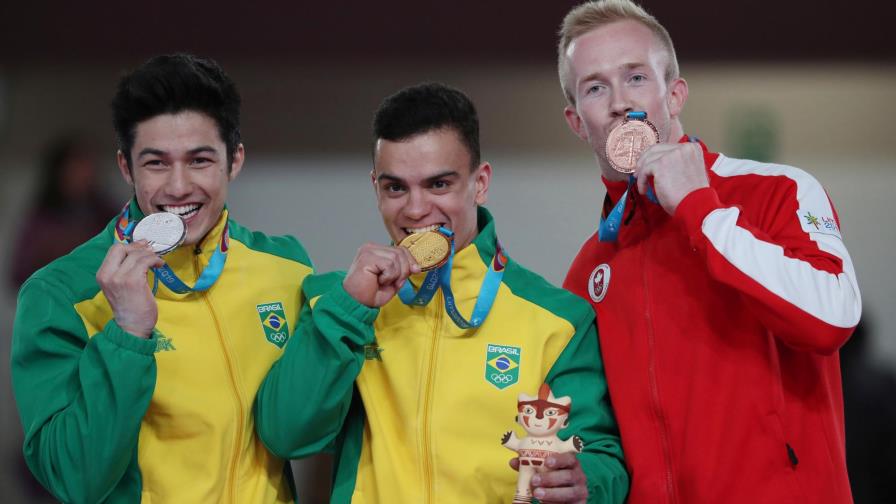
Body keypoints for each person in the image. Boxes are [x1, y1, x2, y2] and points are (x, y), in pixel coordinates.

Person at [254, 83, 628, 503]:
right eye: (396, 188)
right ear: (376, 187)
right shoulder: (337, 304)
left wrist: (584, 482)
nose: (415, 210)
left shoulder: (557, 319)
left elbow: (600, 457)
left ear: (480, 183)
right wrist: (349, 309)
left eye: (438, 185)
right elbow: (286, 436)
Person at [556, 1, 862, 502]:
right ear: (575, 120)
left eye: (635, 78)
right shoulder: (589, 270)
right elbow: (597, 435)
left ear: (674, 95)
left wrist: (700, 210)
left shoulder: (777, 192)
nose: (617, 102)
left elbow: (833, 316)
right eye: (595, 87)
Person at [11, 54, 313, 503]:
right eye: (155, 163)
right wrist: (128, 335)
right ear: (125, 167)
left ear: (235, 161)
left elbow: (307, 434)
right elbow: (74, 478)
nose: (177, 186)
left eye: (200, 160)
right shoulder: (62, 292)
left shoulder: (284, 266)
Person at [9, 135, 119, 288]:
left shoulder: (106, 212)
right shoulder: (41, 219)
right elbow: (18, 274)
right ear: (60, 171)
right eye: (78, 165)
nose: (86, 172)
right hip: (54, 297)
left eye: (89, 164)